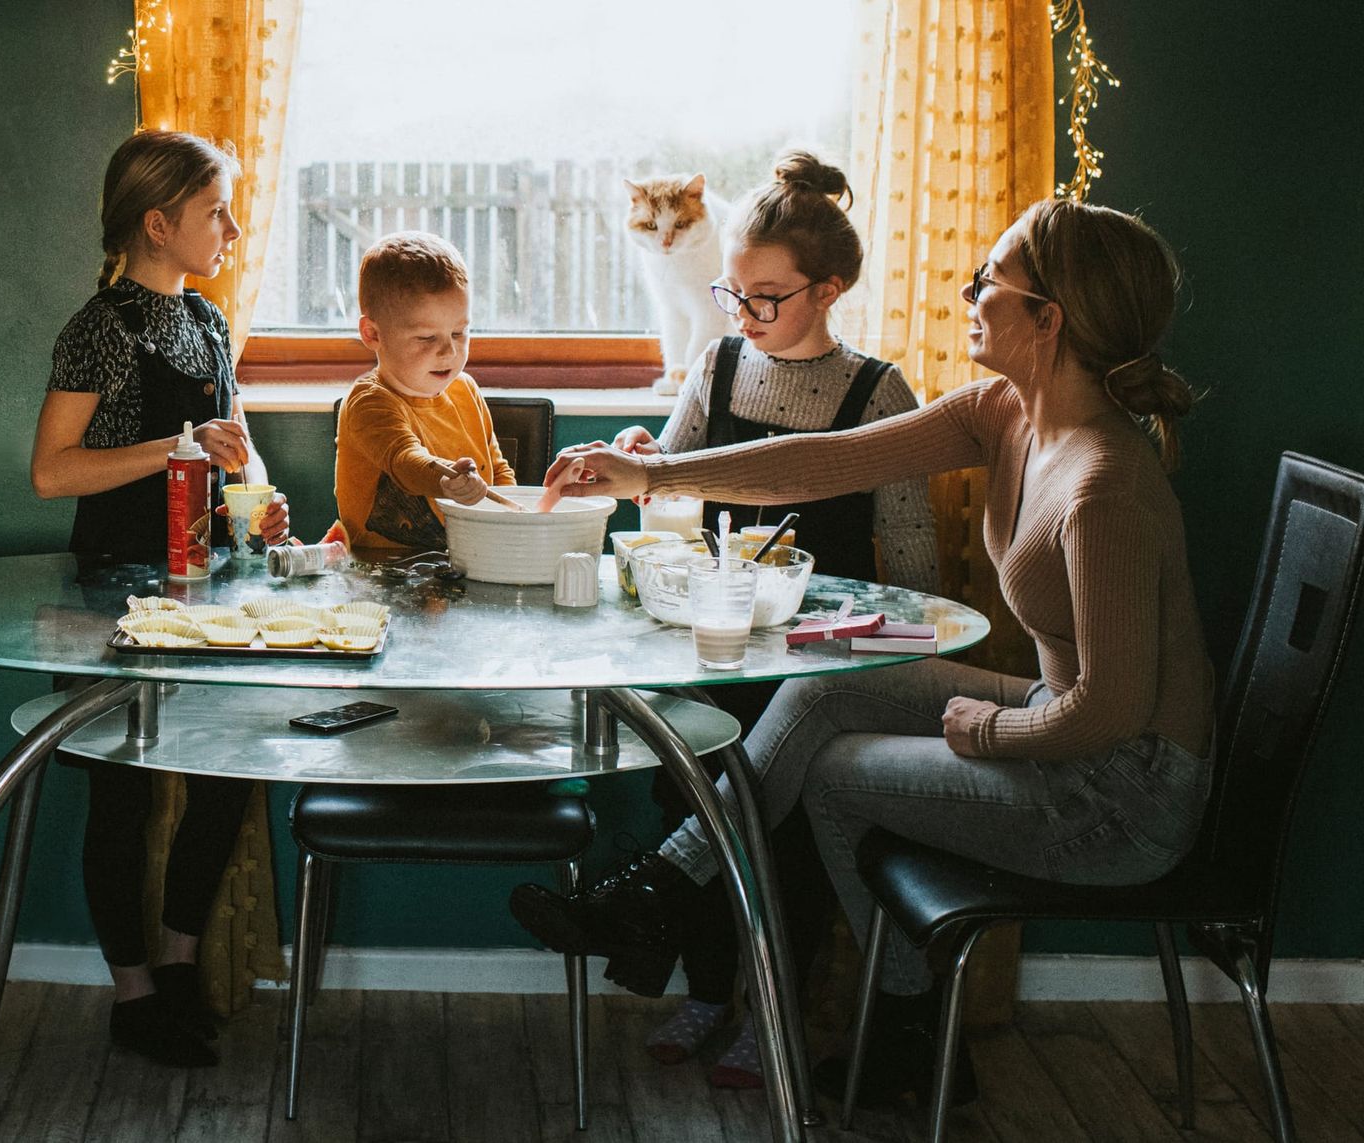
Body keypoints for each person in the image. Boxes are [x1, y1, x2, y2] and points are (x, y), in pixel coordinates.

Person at [511, 198, 1212, 1107]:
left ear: (1049, 320)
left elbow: (1114, 709)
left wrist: (989, 730)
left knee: (835, 772)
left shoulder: (1104, 486)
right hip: (1070, 726)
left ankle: (904, 1030)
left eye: (988, 283)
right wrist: (654, 474)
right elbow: (823, 461)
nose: (970, 295)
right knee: (821, 689)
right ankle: (671, 889)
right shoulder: (1008, 410)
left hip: (1123, 789)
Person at [611, 151, 939, 1088]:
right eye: (734, 295)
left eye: (768, 298)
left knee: (787, 834)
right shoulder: (714, 367)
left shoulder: (875, 392)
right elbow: (664, 498)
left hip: (815, 667)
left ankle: (778, 1005)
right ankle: (711, 989)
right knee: (693, 801)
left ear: (827, 290)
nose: (746, 317)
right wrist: (641, 459)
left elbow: (911, 562)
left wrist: (895, 667)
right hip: (712, 647)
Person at [30, 129, 290, 1067]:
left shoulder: (212, 322)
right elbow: (51, 474)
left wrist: (259, 506)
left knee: (226, 771)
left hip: (206, 585)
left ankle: (178, 966)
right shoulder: (99, 326)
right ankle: (133, 994)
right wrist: (179, 445)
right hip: (112, 594)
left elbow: (240, 445)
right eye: (215, 210)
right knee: (124, 795)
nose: (230, 226)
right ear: (157, 221)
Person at [333, 231, 515, 551]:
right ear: (372, 333)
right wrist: (446, 481)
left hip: (464, 563)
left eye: (459, 333)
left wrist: (515, 519)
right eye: (426, 338)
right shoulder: (369, 401)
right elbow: (406, 461)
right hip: (383, 575)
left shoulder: (465, 390)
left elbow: (497, 470)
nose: (448, 352)